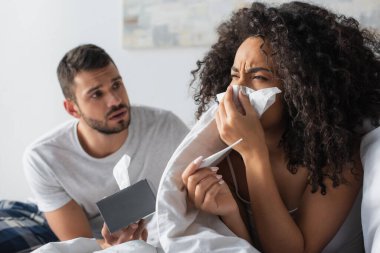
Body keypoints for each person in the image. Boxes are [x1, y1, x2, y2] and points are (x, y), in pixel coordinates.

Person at [181, 1, 380, 253]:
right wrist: (231, 214)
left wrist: (253, 154)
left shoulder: (338, 159)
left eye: (259, 77)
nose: (237, 90)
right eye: (234, 76)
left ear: (303, 90)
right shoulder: (221, 156)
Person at [23, 44, 189, 248]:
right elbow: (81, 244)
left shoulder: (166, 127)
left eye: (116, 85)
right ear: (72, 109)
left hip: (164, 232)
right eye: (96, 94)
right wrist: (118, 246)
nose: (115, 100)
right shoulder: (44, 158)